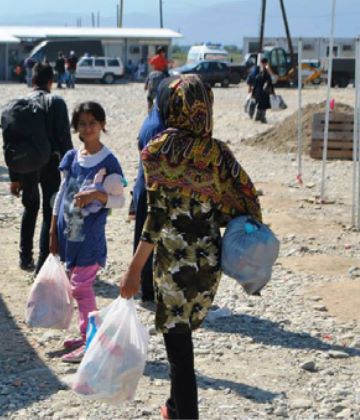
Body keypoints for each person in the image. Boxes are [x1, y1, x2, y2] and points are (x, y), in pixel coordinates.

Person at [120, 74, 262, 419]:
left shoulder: (156, 151)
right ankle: (173, 407)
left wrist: (134, 270)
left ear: (171, 105)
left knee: (179, 349)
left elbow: (155, 218)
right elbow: (245, 200)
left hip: (172, 262)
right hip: (208, 262)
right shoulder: (218, 153)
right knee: (183, 338)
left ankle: (185, 413)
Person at [49, 101, 125, 363]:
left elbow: (119, 200)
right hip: (68, 234)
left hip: (90, 238)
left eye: (93, 122)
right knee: (76, 286)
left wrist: (97, 195)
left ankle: (91, 341)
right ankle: (88, 335)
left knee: (81, 287)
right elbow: (62, 193)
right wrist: (53, 228)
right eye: (82, 123)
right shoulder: (72, 157)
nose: (88, 128)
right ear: (75, 127)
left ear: (102, 124)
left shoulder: (109, 162)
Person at [9, 62, 73, 272]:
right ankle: (43, 263)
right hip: (50, 165)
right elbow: (64, 139)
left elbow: (12, 143)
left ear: (33, 79)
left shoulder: (20, 104)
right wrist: (72, 170)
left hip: (26, 165)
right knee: (49, 211)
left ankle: (24, 257)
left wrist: (14, 177)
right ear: (51, 81)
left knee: (30, 207)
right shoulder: (56, 102)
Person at [132, 86, 166, 303]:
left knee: (145, 237)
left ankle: (146, 286)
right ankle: (147, 289)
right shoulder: (159, 126)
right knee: (149, 238)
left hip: (144, 186)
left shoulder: (154, 118)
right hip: (151, 189)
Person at [247, 57, 275, 123]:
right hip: (258, 90)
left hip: (263, 91)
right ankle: (255, 116)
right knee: (256, 103)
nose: (264, 64)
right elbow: (251, 78)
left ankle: (260, 117)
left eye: (265, 63)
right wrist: (250, 88)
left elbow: (272, 80)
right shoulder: (257, 69)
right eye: (264, 63)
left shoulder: (267, 71)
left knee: (263, 104)